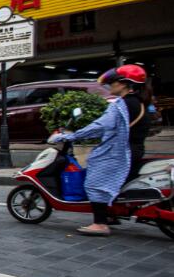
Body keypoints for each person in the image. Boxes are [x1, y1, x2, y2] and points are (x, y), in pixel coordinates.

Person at [51, 64, 146, 236]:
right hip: (134, 149)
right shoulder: (139, 102)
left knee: (95, 184)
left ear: (124, 84)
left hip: (119, 152)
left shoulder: (120, 105)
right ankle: (110, 215)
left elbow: (101, 125)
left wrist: (71, 136)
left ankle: (100, 224)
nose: (111, 85)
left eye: (114, 82)